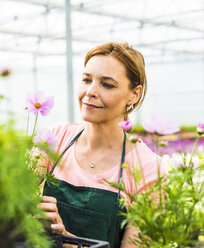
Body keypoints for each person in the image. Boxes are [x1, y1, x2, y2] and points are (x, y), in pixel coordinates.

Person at [39, 42, 167, 248]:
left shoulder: (150, 169)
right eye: (86, 80)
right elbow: (12, 198)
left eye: (107, 84)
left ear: (134, 94)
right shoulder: (57, 138)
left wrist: (65, 239)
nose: (90, 91)